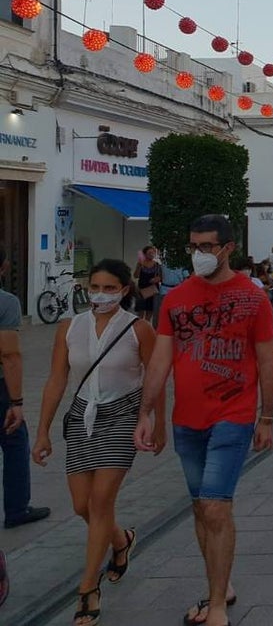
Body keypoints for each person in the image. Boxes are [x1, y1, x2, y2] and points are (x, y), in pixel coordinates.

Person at [135, 214, 273, 626]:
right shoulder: (176, 299)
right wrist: (145, 412)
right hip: (188, 419)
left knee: (216, 507)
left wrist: (266, 416)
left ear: (228, 248)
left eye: (206, 247)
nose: (198, 254)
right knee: (200, 508)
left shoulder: (254, 299)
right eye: (193, 247)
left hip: (233, 416)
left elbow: (267, 360)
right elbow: (161, 359)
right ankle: (223, 583)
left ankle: (216, 605)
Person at [33, 259, 160, 626]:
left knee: (101, 501)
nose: (100, 294)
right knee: (80, 506)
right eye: (95, 287)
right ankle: (120, 541)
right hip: (83, 417)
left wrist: (154, 421)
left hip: (123, 416)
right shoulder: (70, 328)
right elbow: (57, 380)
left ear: (124, 290)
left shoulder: (139, 329)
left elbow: (154, 379)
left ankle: (88, 589)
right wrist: (43, 430)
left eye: (108, 288)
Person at [1, 268, 51, 531]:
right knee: (14, 441)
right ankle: (17, 509)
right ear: (3, 269)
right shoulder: (6, 302)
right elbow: (9, 355)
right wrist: (16, 402)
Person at [133, 246, 163, 327]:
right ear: (144, 254)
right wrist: (139, 265)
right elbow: (136, 275)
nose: (151, 254)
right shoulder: (141, 264)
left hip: (152, 290)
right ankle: (139, 328)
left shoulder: (157, 265)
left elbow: (161, 277)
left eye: (153, 252)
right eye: (149, 253)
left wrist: (157, 279)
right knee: (140, 311)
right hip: (142, 289)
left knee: (150, 312)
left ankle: (146, 328)